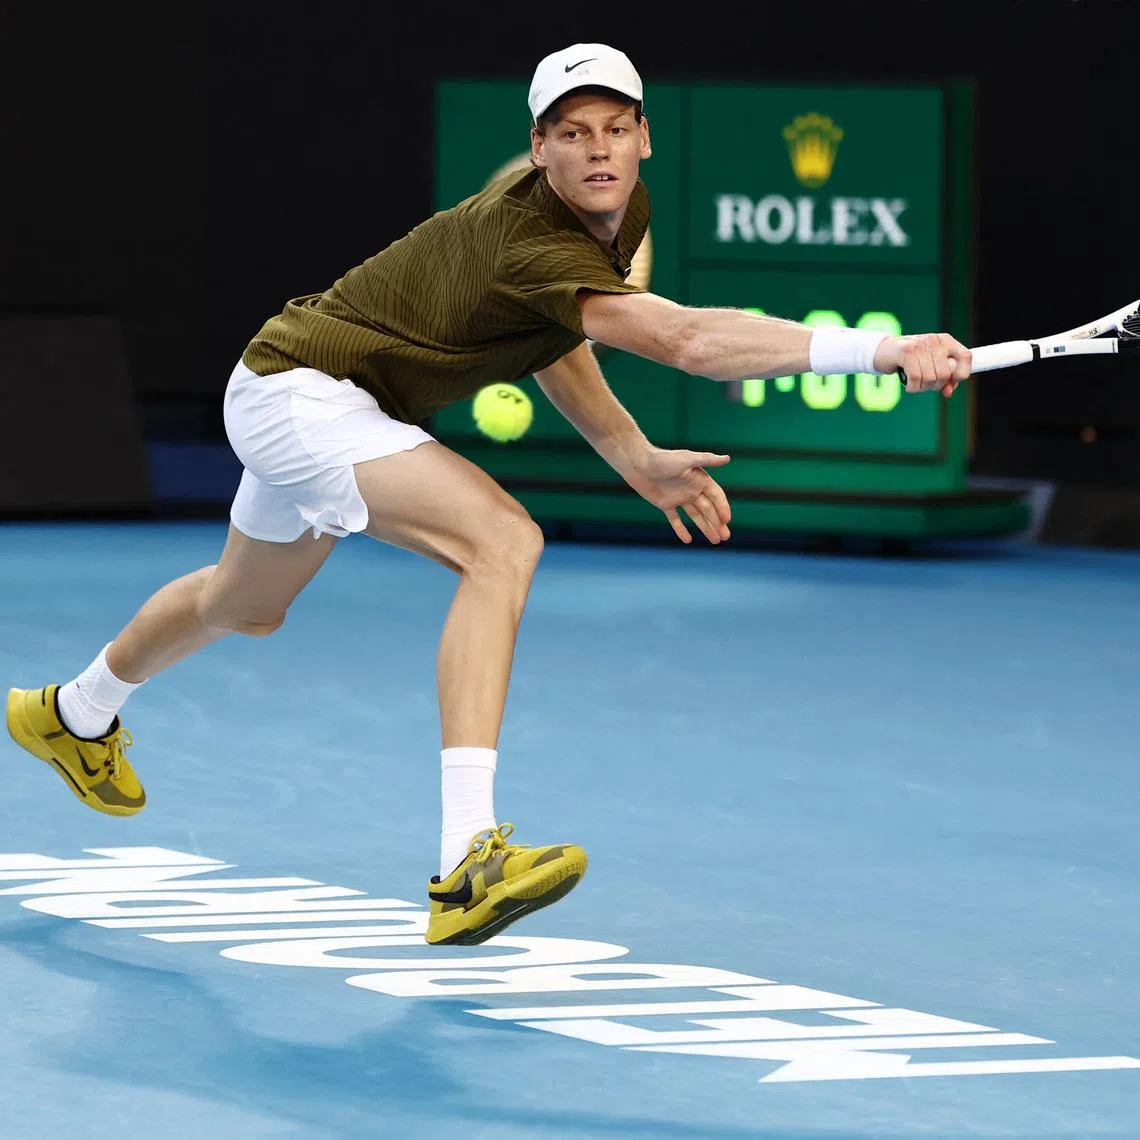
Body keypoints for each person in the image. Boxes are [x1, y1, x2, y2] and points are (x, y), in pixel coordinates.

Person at [5, 43, 971, 947]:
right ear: (541, 146)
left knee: (241, 606)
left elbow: (554, 342)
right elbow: (685, 340)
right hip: (307, 395)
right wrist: (881, 350)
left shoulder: (612, 217)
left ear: (643, 136)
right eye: (572, 132)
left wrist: (629, 451)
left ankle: (72, 712)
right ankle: (469, 860)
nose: (597, 148)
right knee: (501, 541)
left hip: (299, 390)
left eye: (613, 128)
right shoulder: (527, 234)